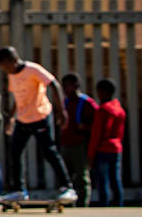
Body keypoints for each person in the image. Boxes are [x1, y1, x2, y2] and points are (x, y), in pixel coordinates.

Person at [0, 46, 76, 203]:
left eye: (6, 67)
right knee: (15, 151)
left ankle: (67, 187)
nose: (6, 71)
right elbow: (18, 99)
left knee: (49, 151)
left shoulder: (33, 69)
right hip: (23, 119)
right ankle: (19, 190)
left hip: (40, 117)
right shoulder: (13, 75)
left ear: (13, 60)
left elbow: (54, 85)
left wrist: (61, 111)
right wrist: (11, 117)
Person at [58, 73, 98, 206]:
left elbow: (97, 124)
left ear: (76, 86)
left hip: (80, 144)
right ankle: (69, 204)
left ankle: (82, 205)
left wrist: (85, 127)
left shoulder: (87, 103)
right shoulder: (65, 101)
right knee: (67, 177)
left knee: (81, 176)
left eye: (67, 86)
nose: (64, 89)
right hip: (66, 143)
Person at [88, 79, 125, 207]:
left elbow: (96, 134)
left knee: (102, 180)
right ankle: (119, 206)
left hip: (103, 149)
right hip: (116, 148)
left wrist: (91, 155)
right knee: (116, 179)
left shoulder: (103, 110)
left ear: (103, 92)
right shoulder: (119, 109)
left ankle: (104, 207)